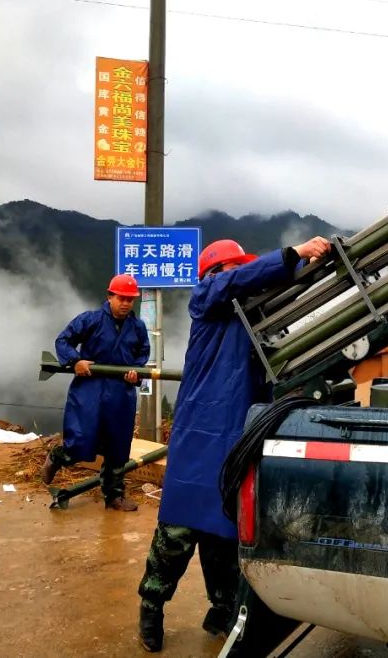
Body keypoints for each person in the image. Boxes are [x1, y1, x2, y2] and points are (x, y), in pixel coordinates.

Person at [137, 236, 331, 652]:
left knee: (225, 535)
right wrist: (293, 254)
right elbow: (239, 280)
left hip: (238, 436)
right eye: (235, 267)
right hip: (199, 436)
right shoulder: (206, 299)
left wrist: (307, 267)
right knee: (177, 534)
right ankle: (151, 606)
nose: (243, 274)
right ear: (215, 273)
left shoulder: (254, 316)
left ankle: (222, 611)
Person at [42, 273, 151, 512]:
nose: (125, 303)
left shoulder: (138, 327)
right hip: (89, 388)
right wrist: (75, 361)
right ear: (110, 296)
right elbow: (63, 341)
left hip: (121, 392)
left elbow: (143, 353)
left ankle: (114, 496)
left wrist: (136, 370)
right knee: (81, 438)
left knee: (118, 446)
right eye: (121, 298)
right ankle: (57, 457)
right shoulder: (90, 320)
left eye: (130, 299)